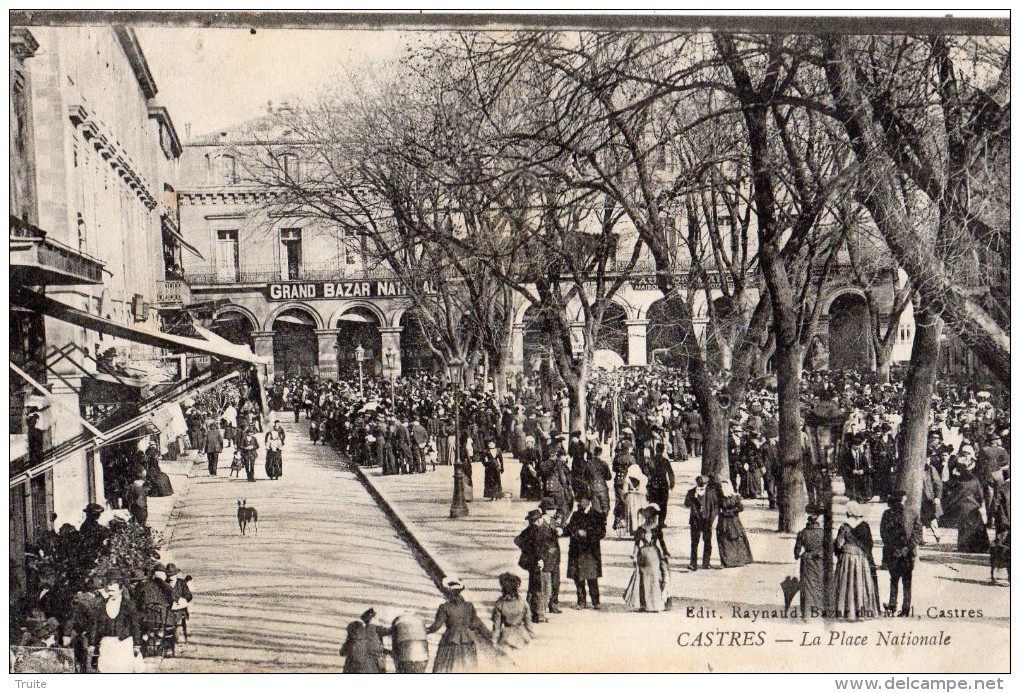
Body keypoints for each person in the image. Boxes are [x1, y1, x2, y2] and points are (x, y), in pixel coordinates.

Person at [831, 501, 881, 621]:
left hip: (847, 558)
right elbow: (870, 544)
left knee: (845, 583)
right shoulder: (865, 525)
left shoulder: (844, 526)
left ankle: (845, 610)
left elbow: (838, 543)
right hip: (860, 559)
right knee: (860, 583)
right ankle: (861, 611)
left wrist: (840, 551)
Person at [426, 578, 486, 673]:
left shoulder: (445, 607)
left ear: (448, 592)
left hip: (450, 640)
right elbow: (473, 625)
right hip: (467, 641)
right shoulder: (469, 606)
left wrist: (425, 631)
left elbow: (436, 626)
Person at [89, 569, 143, 673]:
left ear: (121, 589)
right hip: (107, 644)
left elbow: (135, 625)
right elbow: (95, 625)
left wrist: (136, 645)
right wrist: (92, 643)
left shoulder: (128, 605)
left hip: (123, 644)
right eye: (109, 591)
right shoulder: (101, 605)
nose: (110, 593)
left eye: (113, 591)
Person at [880, 491, 922, 616]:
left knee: (894, 579)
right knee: (907, 581)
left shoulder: (887, 513)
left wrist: (893, 547)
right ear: (903, 499)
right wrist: (908, 547)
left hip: (893, 552)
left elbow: (883, 533)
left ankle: (892, 605)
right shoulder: (913, 513)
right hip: (907, 553)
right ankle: (905, 608)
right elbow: (918, 533)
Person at [561, 494, 605, 609]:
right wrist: (561, 530)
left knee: (592, 577)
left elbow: (601, 533)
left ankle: (596, 602)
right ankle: (581, 602)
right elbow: (569, 529)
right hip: (576, 550)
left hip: (590, 551)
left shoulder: (597, 515)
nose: (579, 503)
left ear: (588, 500)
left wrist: (587, 534)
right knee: (578, 578)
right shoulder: (575, 515)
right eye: (578, 501)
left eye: (581, 500)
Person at [625, 506, 670, 612]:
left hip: (645, 553)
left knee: (644, 579)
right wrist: (665, 553)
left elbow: (636, 544)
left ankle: (645, 604)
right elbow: (662, 543)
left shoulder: (641, 529)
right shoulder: (655, 529)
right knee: (654, 579)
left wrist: (635, 555)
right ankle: (654, 605)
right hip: (653, 554)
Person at [514, 509, 556, 623]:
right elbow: (518, 540)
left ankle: (530, 613)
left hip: (540, 563)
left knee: (535, 588)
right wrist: (536, 556)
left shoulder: (542, 530)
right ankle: (539, 614)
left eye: (533, 521)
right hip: (539, 564)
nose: (532, 523)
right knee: (543, 589)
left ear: (539, 519)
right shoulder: (538, 529)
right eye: (531, 521)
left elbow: (550, 548)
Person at [491, 572, 533, 653]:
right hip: (522, 636)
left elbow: (496, 627)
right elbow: (528, 624)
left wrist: (494, 641)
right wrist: (530, 636)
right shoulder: (523, 603)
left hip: (507, 637)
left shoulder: (499, 604)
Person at [794, 511, 825, 619]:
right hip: (820, 560)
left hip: (807, 561)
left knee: (806, 586)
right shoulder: (823, 533)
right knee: (820, 583)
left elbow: (797, 552)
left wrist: (798, 554)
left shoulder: (803, 533)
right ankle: (820, 609)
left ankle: (806, 612)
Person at [684, 475, 719, 571]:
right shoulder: (691, 492)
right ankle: (693, 563)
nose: (702, 486)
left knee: (707, 542)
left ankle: (706, 563)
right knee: (694, 543)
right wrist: (693, 499)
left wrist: (711, 518)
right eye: (700, 484)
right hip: (695, 521)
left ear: (707, 484)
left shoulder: (711, 493)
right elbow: (686, 504)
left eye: (704, 484)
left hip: (707, 521)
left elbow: (715, 507)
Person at [716, 480, 753, 568]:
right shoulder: (720, 498)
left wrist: (730, 512)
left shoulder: (735, 497)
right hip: (723, 521)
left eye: (725, 487)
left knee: (736, 539)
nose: (723, 488)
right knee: (724, 540)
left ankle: (739, 559)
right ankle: (726, 561)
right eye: (721, 487)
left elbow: (740, 508)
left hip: (733, 521)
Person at [646, 443, 675, 527]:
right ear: (663, 450)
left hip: (653, 484)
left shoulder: (651, 460)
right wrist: (672, 484)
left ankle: (652, 520)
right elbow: (670, 473)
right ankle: (661, 522)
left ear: (656, 449)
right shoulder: (665, 461)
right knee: (663, 504)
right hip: (663, 484)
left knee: (653, 502)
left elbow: (646, 472)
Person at [990, 468, 1010, 584]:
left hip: (1004, 524)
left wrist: (993, 518)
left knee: (1001, 547)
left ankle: (996, 574)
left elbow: (995, 505)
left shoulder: (1002, 488)